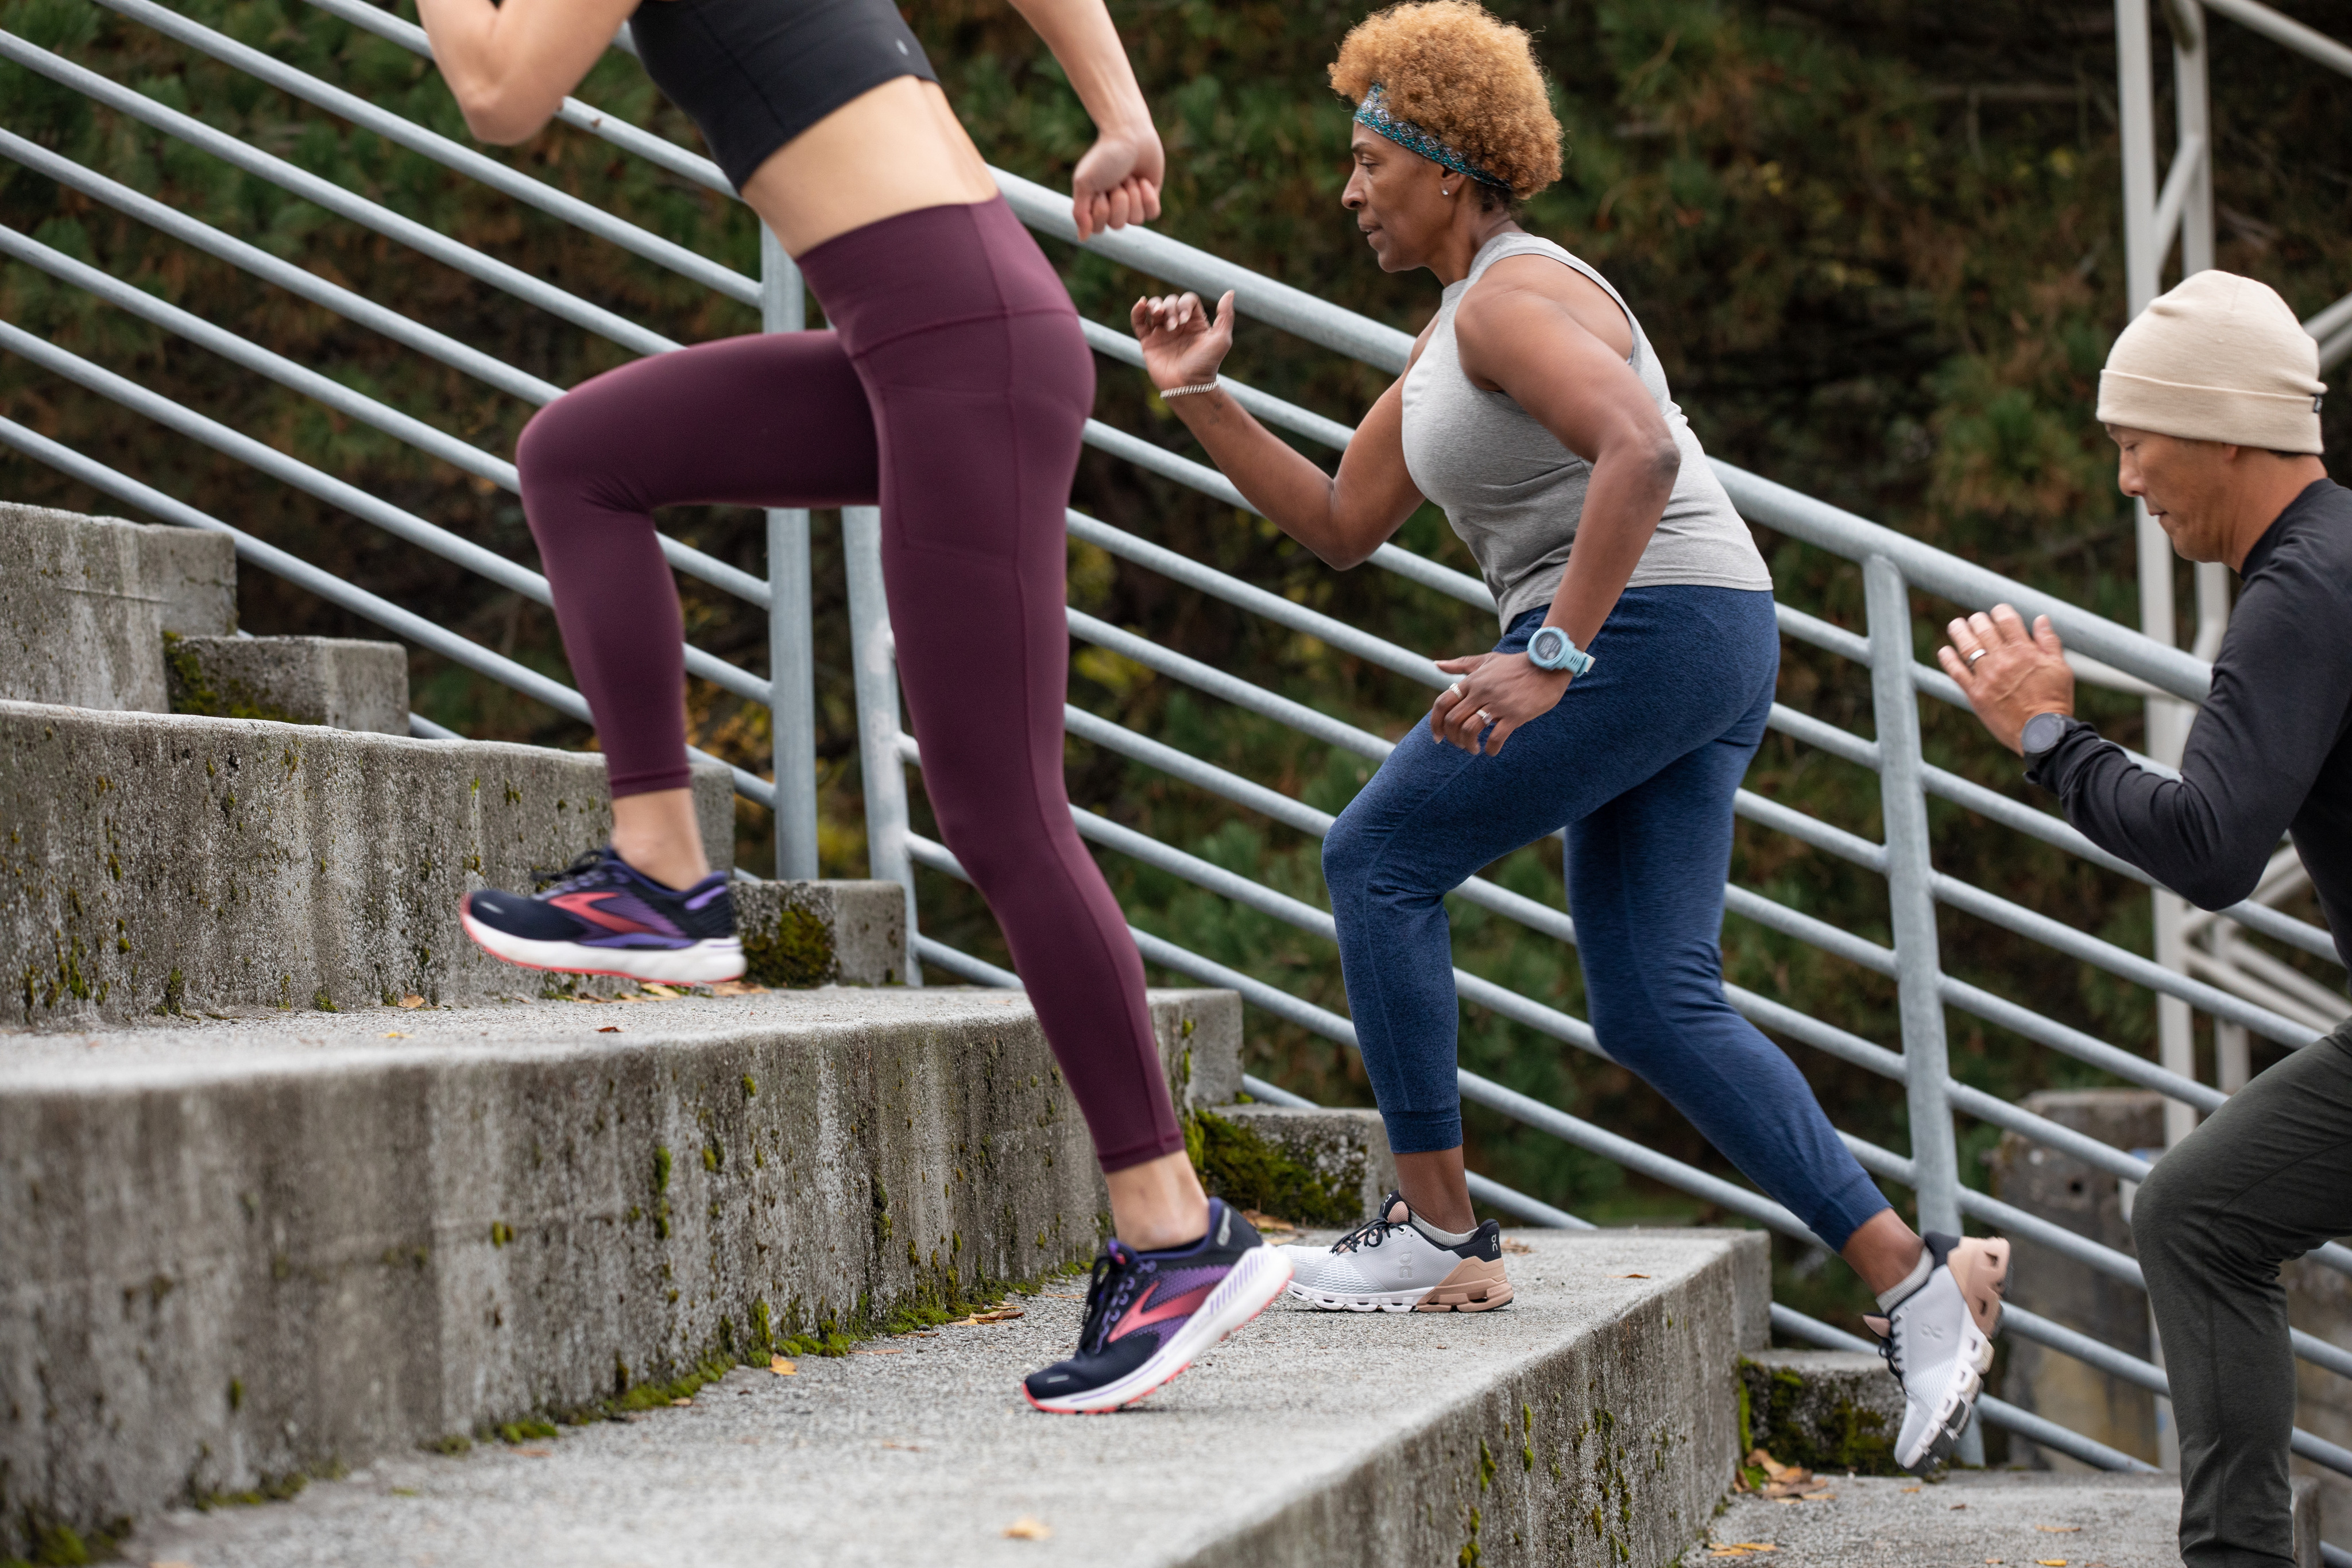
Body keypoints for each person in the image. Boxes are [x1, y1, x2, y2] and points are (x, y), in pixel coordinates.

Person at [1132, 0, 2007, 1473]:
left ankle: (1436, 1229)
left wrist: (1550, 651)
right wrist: (1198, 396)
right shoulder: (1453, 328)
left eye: (1368, 162)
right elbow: (1343, 526)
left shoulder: (1505, 303)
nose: (1348, 192)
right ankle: (1920, 1290)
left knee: (1377, 856)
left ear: (1447, 167)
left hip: (1651, 627)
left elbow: (1642, 449)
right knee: (1652, 1002)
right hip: (1698, 630)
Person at [415, 0, 1291, 1413]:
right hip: (927, 336)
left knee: (1000, 814)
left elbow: (502, 90)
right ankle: (663, 874)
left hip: (959, 344)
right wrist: (1120, 112)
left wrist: (1126, 113)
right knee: (577, 452)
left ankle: (1174, 1229)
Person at [1936, 268, 2349, 1567]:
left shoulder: (2299, 593)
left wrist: (2048, 740)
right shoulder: (2327, 559)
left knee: (2197, 1212)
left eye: (2132, 442)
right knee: (2194, 1208)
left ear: (2223, 429)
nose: (2123, 477)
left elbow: (2212, 845)